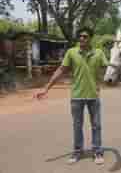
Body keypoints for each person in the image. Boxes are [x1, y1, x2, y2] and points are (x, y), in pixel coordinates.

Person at [34, 27, 108, 165]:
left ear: (90, 38)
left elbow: (108, 69)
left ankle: (97, 151)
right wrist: (46, 88)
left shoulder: (98, 53)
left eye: (85, 36)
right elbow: (61, 70)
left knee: (96, 125)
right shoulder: (71, 52)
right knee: (77, 126)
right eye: (80, 36)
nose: (82, 38)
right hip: (77, 96)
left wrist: (101, 82)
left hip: (94, 96)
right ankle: (77, 151)